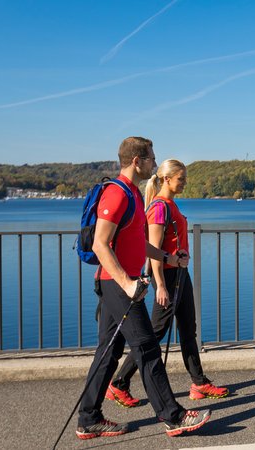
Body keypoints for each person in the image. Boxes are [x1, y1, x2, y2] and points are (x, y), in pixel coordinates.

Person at [76, 137, 210, 440]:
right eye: (151, 157)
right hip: (116, 284)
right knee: (147, 347)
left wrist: (168, 257)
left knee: (109, 353)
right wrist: (127, 282)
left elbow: (139, 243)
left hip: (119, 283)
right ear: (137, 160)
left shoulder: (134, 194)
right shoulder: (118, 194)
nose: (154, 161)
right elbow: (100, 244)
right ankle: (174, 417)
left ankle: (88, 418)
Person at [105, 159, 229, 407]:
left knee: (188, 329)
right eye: (181, 178)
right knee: (154, 334)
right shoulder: (159, 208)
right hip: (169, 279)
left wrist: (182, 255)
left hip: (180, 275)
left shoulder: (169, 205)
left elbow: (170, 245)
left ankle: (198, 383)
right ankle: (119, 383)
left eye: (185, 178)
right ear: (167, 179)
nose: (184, 182)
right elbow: (154, 251)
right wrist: (160, 285)